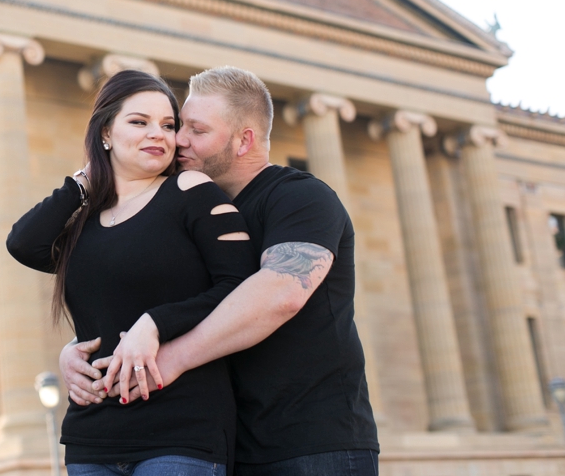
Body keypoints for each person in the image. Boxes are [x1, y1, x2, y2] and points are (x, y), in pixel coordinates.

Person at [61, 67, 380, 475]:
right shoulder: (190, 210)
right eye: (181, 127)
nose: (178, 140)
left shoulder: (300, 197)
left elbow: (281, 294)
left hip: (313, 444)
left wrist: (170, 359)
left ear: (244, 139)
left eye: (196, 130)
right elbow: (164, 297)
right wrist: (79, 348)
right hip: (229, 446)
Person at [6, 70, 259, 476]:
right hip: (92, 436)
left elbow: (242, 287)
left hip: (180, 430)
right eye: (139, 122)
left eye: (168, 125)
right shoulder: (83, 224)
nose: (158, 134)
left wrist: (157, 323)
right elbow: (23, 244)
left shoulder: (190, 190)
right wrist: (85, 181)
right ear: (105, 132)